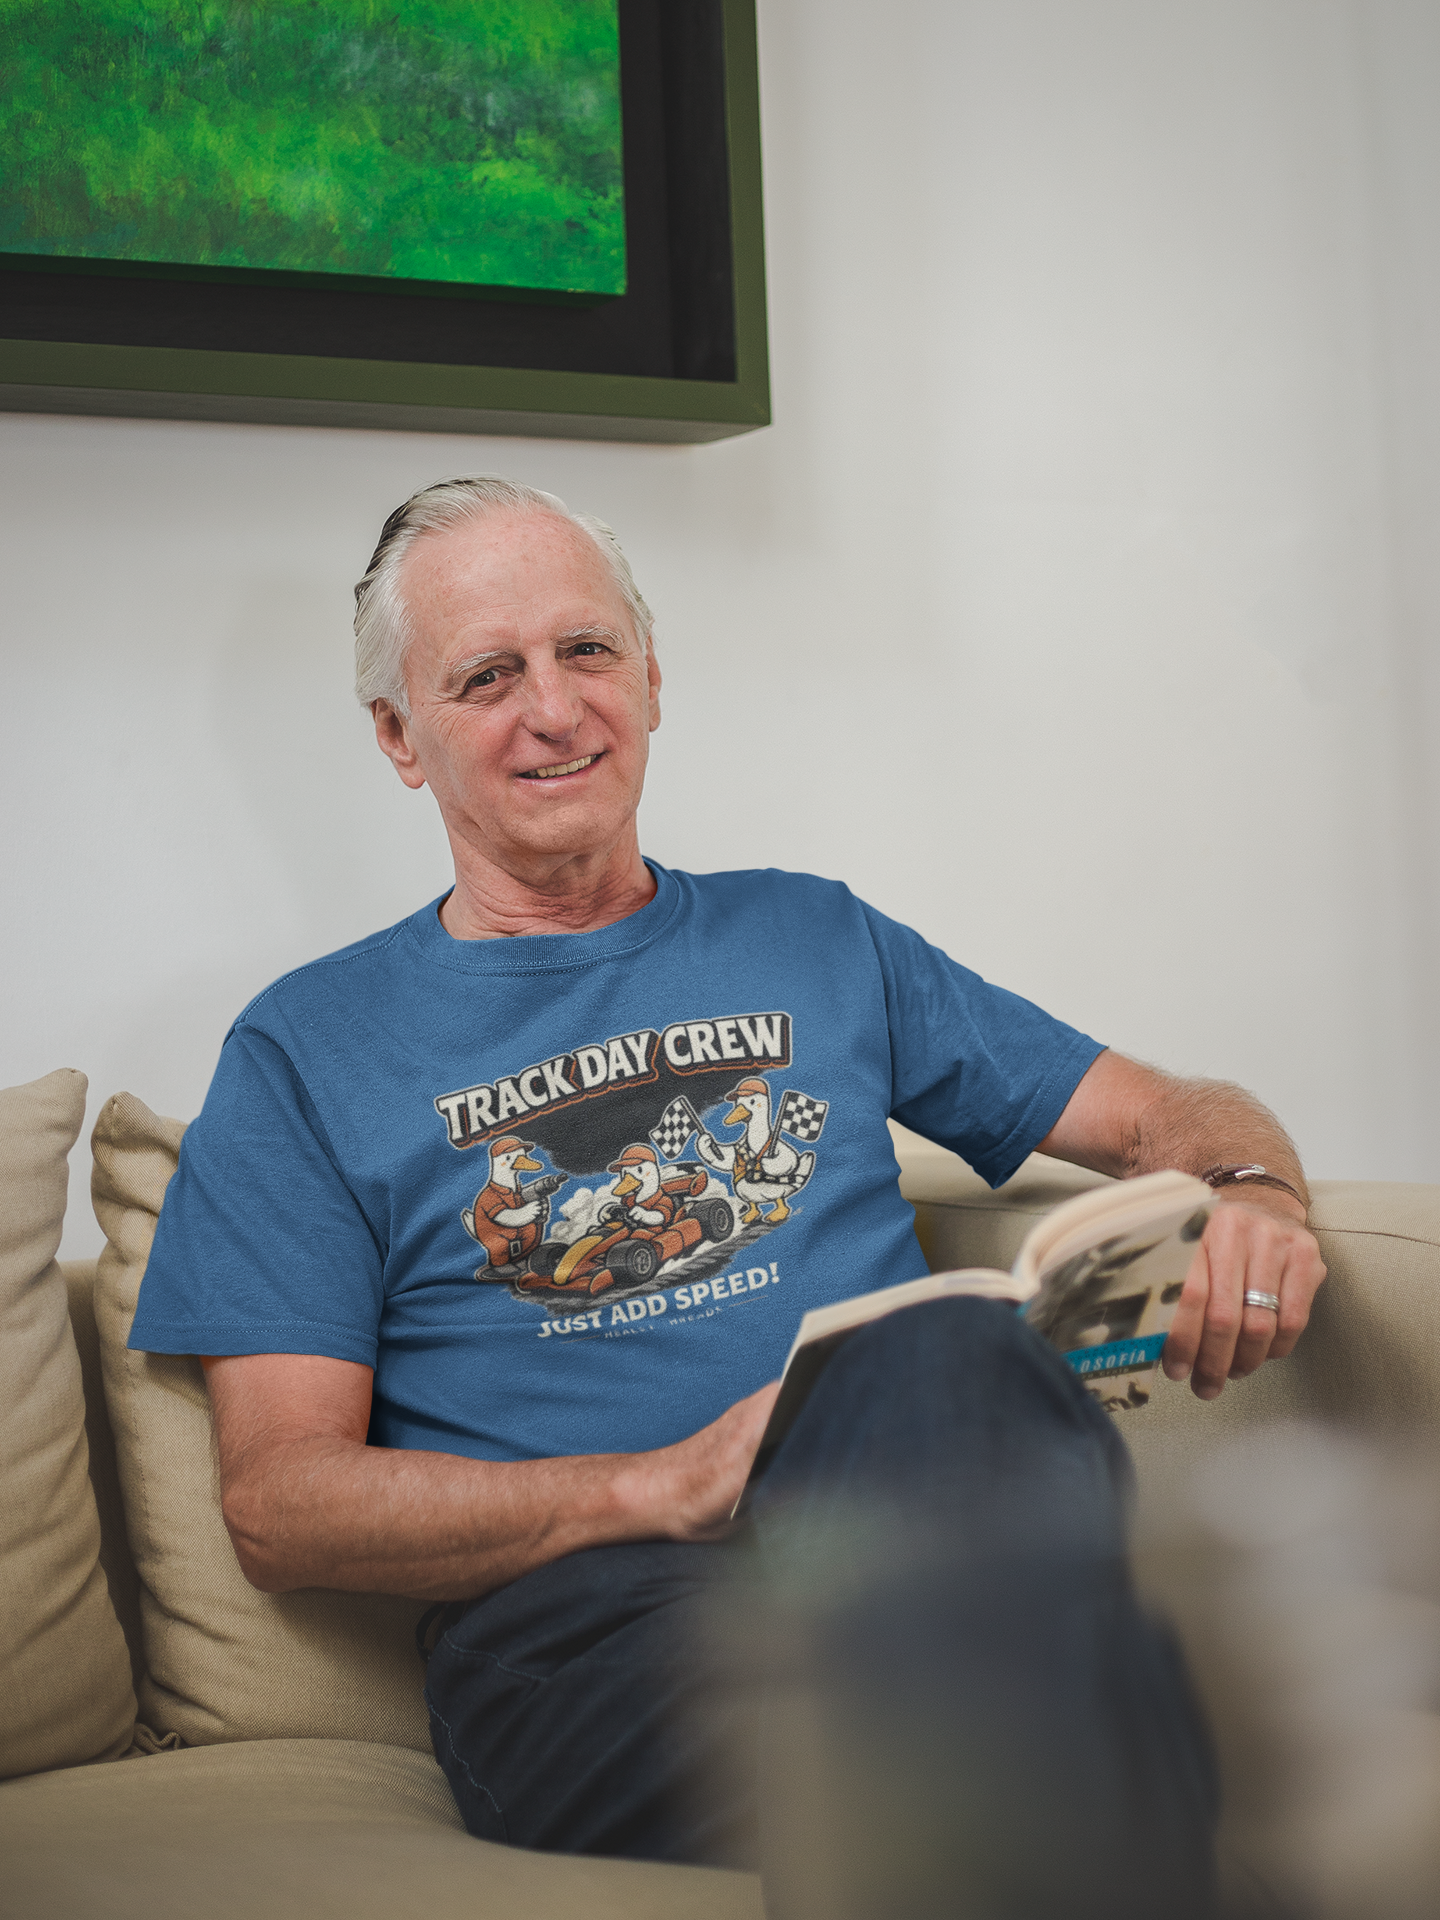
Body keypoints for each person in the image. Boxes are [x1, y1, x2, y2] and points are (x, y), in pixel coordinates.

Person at [130, 477, 1326, 1918]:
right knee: (1051, 1732)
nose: (555, 709)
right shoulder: (306, 1050)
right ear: (399, 736)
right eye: (487, 676)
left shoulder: (814, 934)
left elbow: (1167, 1115)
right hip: (601, 1635)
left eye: (586, 652)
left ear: (652, 676)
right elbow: (282, 1506)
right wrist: (666, 1482)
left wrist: (1257, 1193)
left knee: (944, 1358)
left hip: (929, 1546)